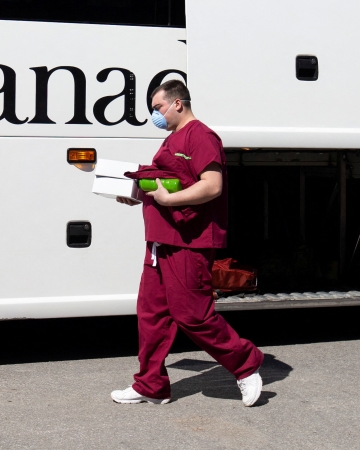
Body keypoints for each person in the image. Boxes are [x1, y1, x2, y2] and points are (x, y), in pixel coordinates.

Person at [110, 80, 264, 406]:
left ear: (177, 104)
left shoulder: (201, 136)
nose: (155, 115)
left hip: (188, 243)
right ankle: (150, 385)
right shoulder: (172, 140)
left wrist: (169, 200)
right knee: (151, 314)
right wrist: (137, 195)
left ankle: (246, 365)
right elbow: (165, 186)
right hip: (160, 241)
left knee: (193, 315)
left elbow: (212, 186)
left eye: (158, 108)